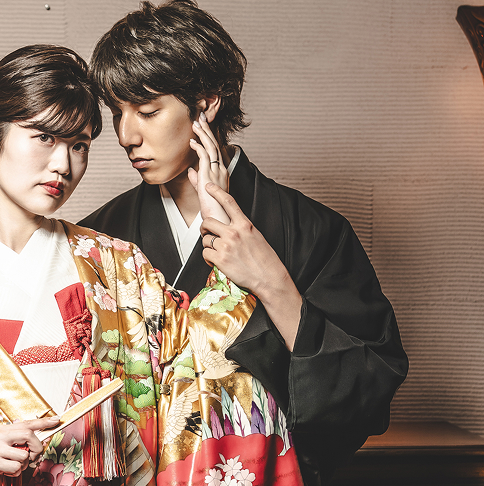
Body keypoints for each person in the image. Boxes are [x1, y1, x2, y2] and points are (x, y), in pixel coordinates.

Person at [0, 45, 306, 486]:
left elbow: (210, 361)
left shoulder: (117, 266)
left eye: (79, 145)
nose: (63, 163)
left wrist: (217, 213)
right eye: (44, 137)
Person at [78, 2, 409, 485]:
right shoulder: (98, 237)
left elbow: (367, 393)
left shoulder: (313, 230)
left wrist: (273, 284)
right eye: (117, 112)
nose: (127, 135)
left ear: (207, 102)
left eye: (147, 111)